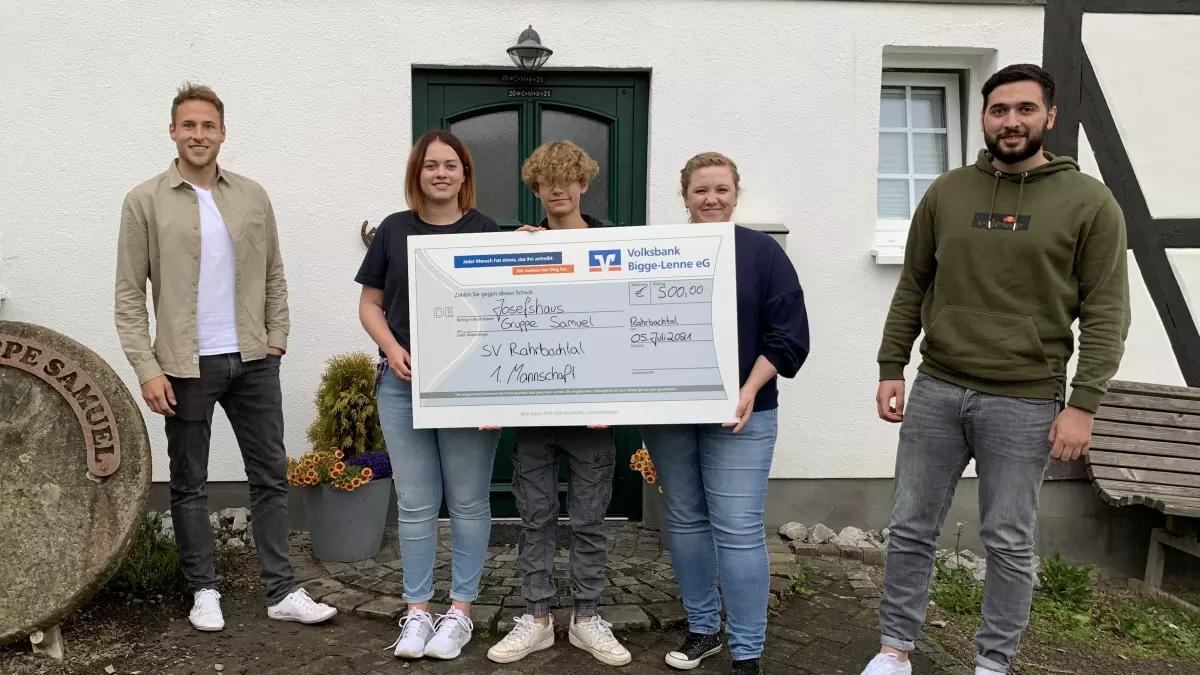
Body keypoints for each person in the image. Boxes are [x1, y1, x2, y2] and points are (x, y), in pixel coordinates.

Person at [860, 64, 1129, 675]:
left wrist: (1083, 404)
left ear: (1049, 117)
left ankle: (993, 662)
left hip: (1026, 399)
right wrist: (890, 364)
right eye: (999, 110)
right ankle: (895, 649)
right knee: (909, 528)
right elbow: (913, 287)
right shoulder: (947, 192)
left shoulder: (1089, 202)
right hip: (938, 389)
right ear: (983, 117)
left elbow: (1108, 311)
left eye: (1025, 110)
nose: (1011, 122)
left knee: (1008, 542)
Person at [115, 83, 336, 632]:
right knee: (189, 481)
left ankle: (282, 590)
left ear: (222, 132)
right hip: (184, 364)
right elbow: (128, 295)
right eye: (188, 125)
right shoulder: (144, 200)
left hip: (254, 358)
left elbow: (276, 274)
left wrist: (276, 338)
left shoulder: (252, 196)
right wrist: (146, 368)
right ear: (172, 131)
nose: (198, 135)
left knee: (270, 477)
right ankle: (204, 591)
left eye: (207, 126)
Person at [639, 152, 810, 675]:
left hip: (743, 415)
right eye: (700, 191)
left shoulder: (762, 255)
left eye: (721, 189)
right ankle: (704, 629)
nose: (711, 199)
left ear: (737, 193)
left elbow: (789, 336)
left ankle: (747, 651)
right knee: (686, 522)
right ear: (684, 196)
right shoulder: (656, 252)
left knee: (737, 528)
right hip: (670, 414)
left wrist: (749, 389)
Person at [486, 140, 632, 667]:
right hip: (533, 413)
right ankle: (538, 617)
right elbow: (499, 325)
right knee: (536, 518)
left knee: (590, 520)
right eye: (547, 180)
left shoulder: (612, 247)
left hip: (592, 415)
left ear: (583, 183)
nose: (557, 188)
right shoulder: (523, 245)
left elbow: (625, 328)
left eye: (567, 178)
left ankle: (587, 617)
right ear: (535, 188)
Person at [356, 130, 501, 661]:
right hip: (403, 385)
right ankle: (417, 611)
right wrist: (392, 348)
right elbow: (370, 305)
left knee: (467, 502)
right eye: (430, 165)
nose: (440, 173)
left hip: (469, 390)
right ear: (417, 173)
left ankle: (459, 612)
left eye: (451, 165)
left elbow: (510, 306)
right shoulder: (394, 231)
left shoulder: (488, 232)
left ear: (465, 174)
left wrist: (535, 247)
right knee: (416, 505)